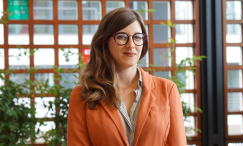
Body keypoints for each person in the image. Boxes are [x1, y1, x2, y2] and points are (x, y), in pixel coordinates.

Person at [67, 7, 187, 146]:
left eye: (137, 37)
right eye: (122, 37)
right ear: (105, 42)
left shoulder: (167, 89)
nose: (131, 45)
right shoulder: (83, 95)